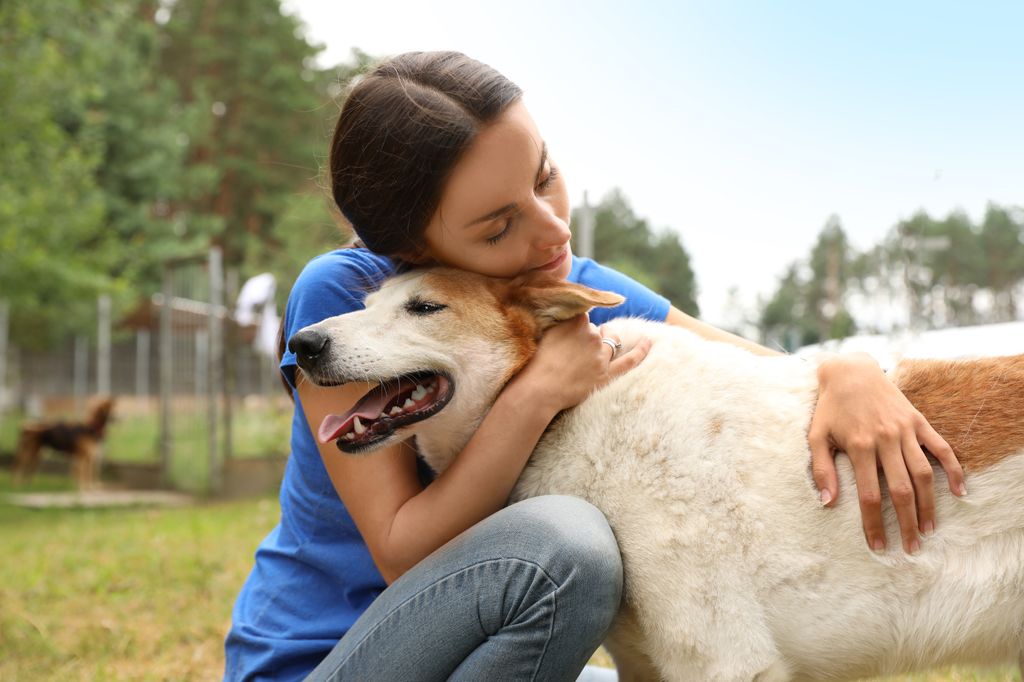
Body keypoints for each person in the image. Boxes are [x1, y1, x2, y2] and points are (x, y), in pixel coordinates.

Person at [224, 51, 966, 682]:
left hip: (482, 654)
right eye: (498, 225)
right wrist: (537, 393)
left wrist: (851, 372)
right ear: (410, 248)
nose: (552, 229)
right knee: (567, 548)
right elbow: (402, 551)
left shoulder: (556, 280)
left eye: (544, 177)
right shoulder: (348, 299)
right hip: (328, 661)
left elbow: (768, 372)